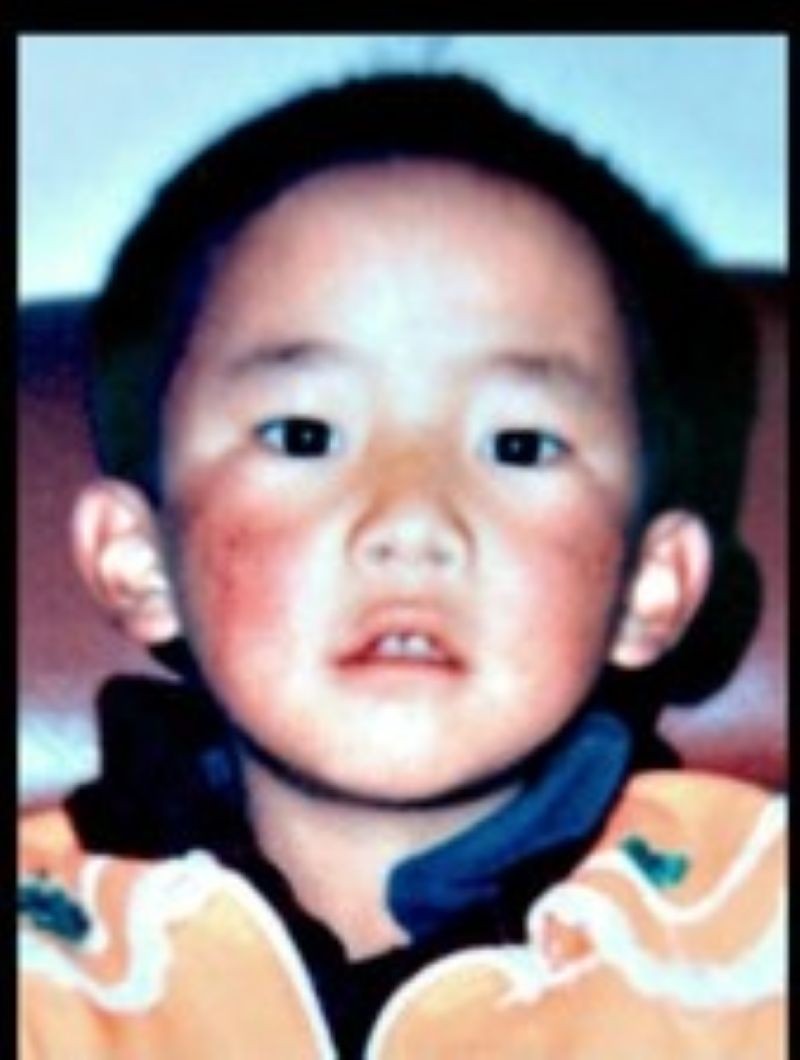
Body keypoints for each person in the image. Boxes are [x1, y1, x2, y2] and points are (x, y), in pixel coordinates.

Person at [19, 73, 785, 1059]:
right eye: (303, 435)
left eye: (518, 446)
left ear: (650, 585)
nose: (413, 520)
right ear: (139, 561)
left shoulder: (756, 940)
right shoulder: (39, 967)